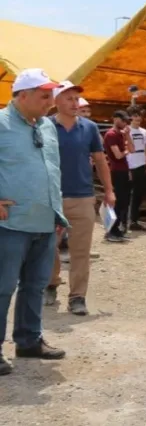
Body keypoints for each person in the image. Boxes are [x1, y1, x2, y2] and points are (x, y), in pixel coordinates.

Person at [0, 68, 69, 375]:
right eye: (44, 96)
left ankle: (29, 341)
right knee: (2, 288)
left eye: (51, 95)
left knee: (36, 285)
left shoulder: (48, 127)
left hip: (44, 221)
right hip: (10, 224)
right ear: (22, 96)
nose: (50, 102)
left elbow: (52, 170)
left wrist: (57, 212)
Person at [44, 81, 116, 315]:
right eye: (69, 99)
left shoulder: (90, 128)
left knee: (80, 250)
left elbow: (100, 159)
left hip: (83, 196)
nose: (75, 103)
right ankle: (51, 283)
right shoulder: (44, 126)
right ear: (56, 100)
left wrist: (108, 190)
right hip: (51, 197)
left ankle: (77, 297)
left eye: (77, 99)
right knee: (47, 246)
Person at [102, 110, 133, 242]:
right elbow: (118, 155)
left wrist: (128, 136)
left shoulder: (121, 134)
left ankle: (117, 229)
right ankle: (111, 230)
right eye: (123, 120)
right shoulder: (111, 135)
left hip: (123, 170)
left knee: (123, 201)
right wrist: (127, 150)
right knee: (116, 201)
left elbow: (133, 149)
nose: (125, 123)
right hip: (115, 171)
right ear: (115, 119)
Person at [126, 108, 146, 232]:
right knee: (129, 194)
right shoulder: (126, 131)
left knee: (139, 194)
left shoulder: (144, 132)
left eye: (139, 116)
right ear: (130, 117)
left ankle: (134, 220)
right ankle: (125, 220)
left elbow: (145, 149)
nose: (138, 119)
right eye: (135, 116)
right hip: (131, 165)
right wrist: (127, 168)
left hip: (141, 164)